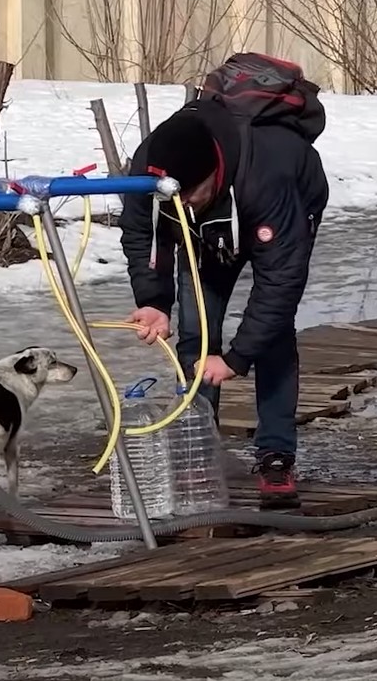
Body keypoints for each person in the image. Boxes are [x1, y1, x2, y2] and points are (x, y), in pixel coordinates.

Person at [118, 53, 328, 508]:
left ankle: (276, 456)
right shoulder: (149, 167)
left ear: (214, 172)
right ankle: (199, 451)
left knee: (273, 332)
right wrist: (153, 300)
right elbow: (142, 232)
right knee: (196, 331)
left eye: (192, 197)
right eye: (176, 202)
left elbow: (281, 281)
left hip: (283, 210)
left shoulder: (268, 173)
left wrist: (236, 358)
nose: (184, 207)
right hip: (214, 229)